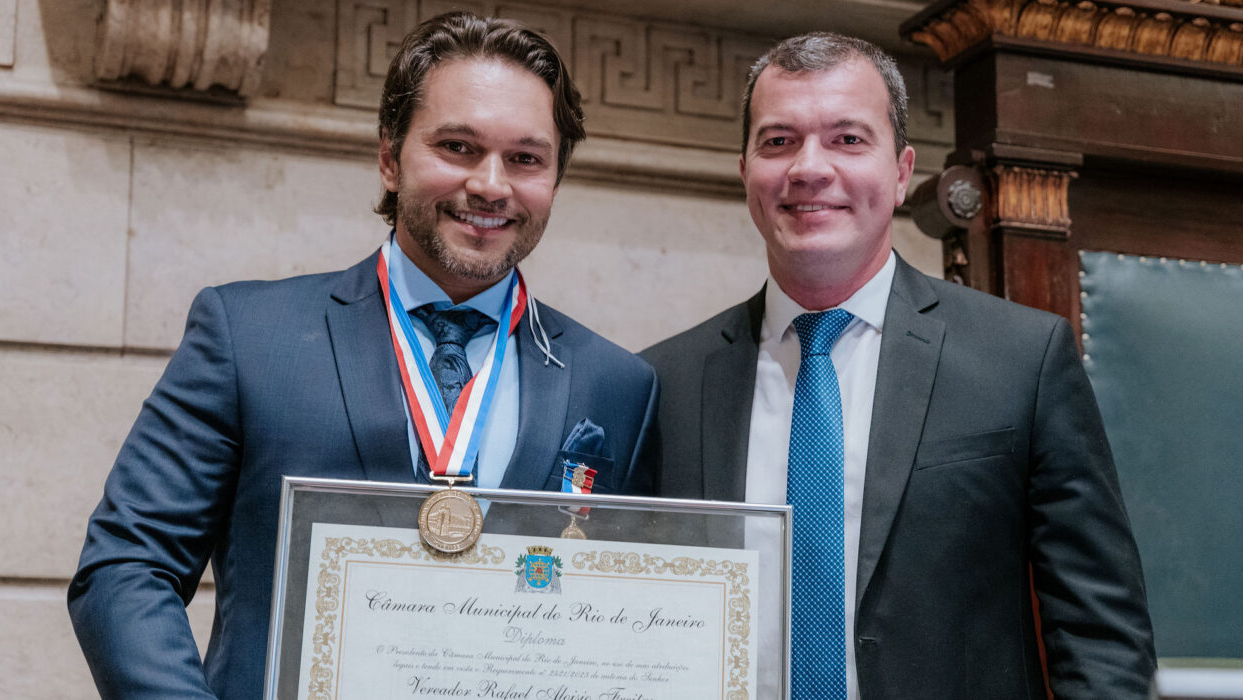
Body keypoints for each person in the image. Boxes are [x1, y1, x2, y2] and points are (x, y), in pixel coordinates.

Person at [68, 12, 659, 699]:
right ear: (389, 156)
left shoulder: (618, 384)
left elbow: (623, 618)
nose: (492, 184)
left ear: (554, 179)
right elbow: (125, 566)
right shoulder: (247, 336)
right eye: (459, 147)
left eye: (526, 158)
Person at [641, 32, 1155, 700]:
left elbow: (1101, 636)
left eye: (848, 140)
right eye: (778, 141)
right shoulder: (664, 385)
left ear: (902, 170)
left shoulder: (1022, 361)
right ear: (745, 172)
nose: (809, 168)